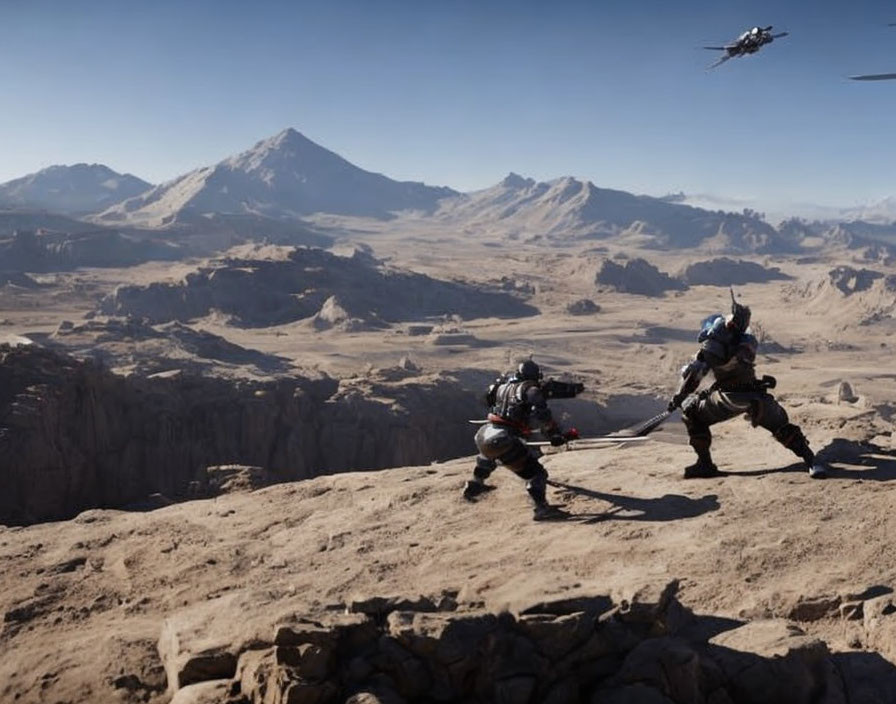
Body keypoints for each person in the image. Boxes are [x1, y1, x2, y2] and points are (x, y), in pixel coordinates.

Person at [667, 289, 824, 479]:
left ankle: (705, 464)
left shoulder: (717, 344)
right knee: (781, 425)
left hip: (727, 399)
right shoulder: (746, 342)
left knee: (691, 411)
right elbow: (736, 369)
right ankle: (811, 461)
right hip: (752, 395)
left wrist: (680, 396)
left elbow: (695, 374)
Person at [463, 359, 580, 520]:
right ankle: (541, 509)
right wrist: (555, 436)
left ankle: (475, 485)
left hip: (485, 434)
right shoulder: (531, 390)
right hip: (504, 439)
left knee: (487, 458)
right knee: (537, 474)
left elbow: (486, 399)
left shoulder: (498, 387)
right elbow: (544, 416)